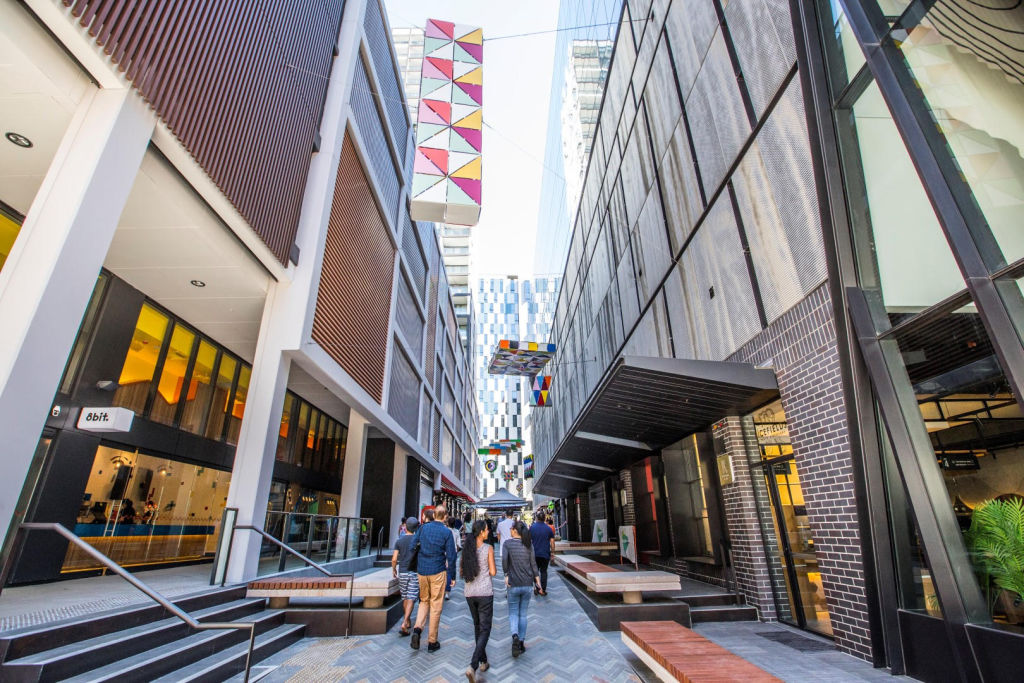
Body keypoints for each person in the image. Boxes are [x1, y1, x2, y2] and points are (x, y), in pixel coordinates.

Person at [411, 504, 457, 652]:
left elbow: (413, 545)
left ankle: (417, 629)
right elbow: (451, 556)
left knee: (423, 601)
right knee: (436, 605)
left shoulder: (423, 528)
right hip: (438, 570)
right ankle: (432, 641)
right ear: (445, 517)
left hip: (422, 570)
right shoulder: (446, 532)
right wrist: (453, 575)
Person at [461, 520, 495, 682]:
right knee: (485, 628)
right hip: (485, 592)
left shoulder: (467, 549)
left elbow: (462, 570)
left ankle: (483, 661)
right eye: (487, 530)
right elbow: (493, 571)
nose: (488, 532)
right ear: (481, 532)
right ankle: (473, 665)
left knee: (477, 626)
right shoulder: (488, 548)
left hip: (469, 593)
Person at [502, 520, 541, 657]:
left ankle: (515, 637)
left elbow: (505, 562)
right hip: (527, 584)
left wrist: (506, 574)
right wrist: (538, 582)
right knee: (523, 614)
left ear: (514, 530)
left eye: (511, 528)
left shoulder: (507, 544)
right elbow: (533, 564)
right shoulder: (528, 544)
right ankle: (522, 642)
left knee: (513, 612)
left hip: (513, 583)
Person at [391, 517, 419, 636]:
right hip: (414, 571)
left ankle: (407, 621)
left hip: (402, 571)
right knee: (411, 597)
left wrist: (394, 569)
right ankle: (405, 621)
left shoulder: (399, 541)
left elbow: (394, 559)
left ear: (405, 527)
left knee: (405, 597)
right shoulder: (417, 541)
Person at [529, 511, 556, 596]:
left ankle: (537, 588)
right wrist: (552, 553)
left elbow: (529, 541)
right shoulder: (548, 528)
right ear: (544, 518)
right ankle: (543, 590)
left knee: (535, 571)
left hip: (534, 554)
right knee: (544, 571)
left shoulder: (532, 527)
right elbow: (552, 542)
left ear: (536, 518)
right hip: (545, 554)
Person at [445, 517, 463, 601]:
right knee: (450, 570)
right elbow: (459, 544)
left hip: (444, 552)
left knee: (443, 570)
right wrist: (456, 550)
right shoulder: (456, 532)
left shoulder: (445, 530)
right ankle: (447, 592)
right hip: (453, 552)